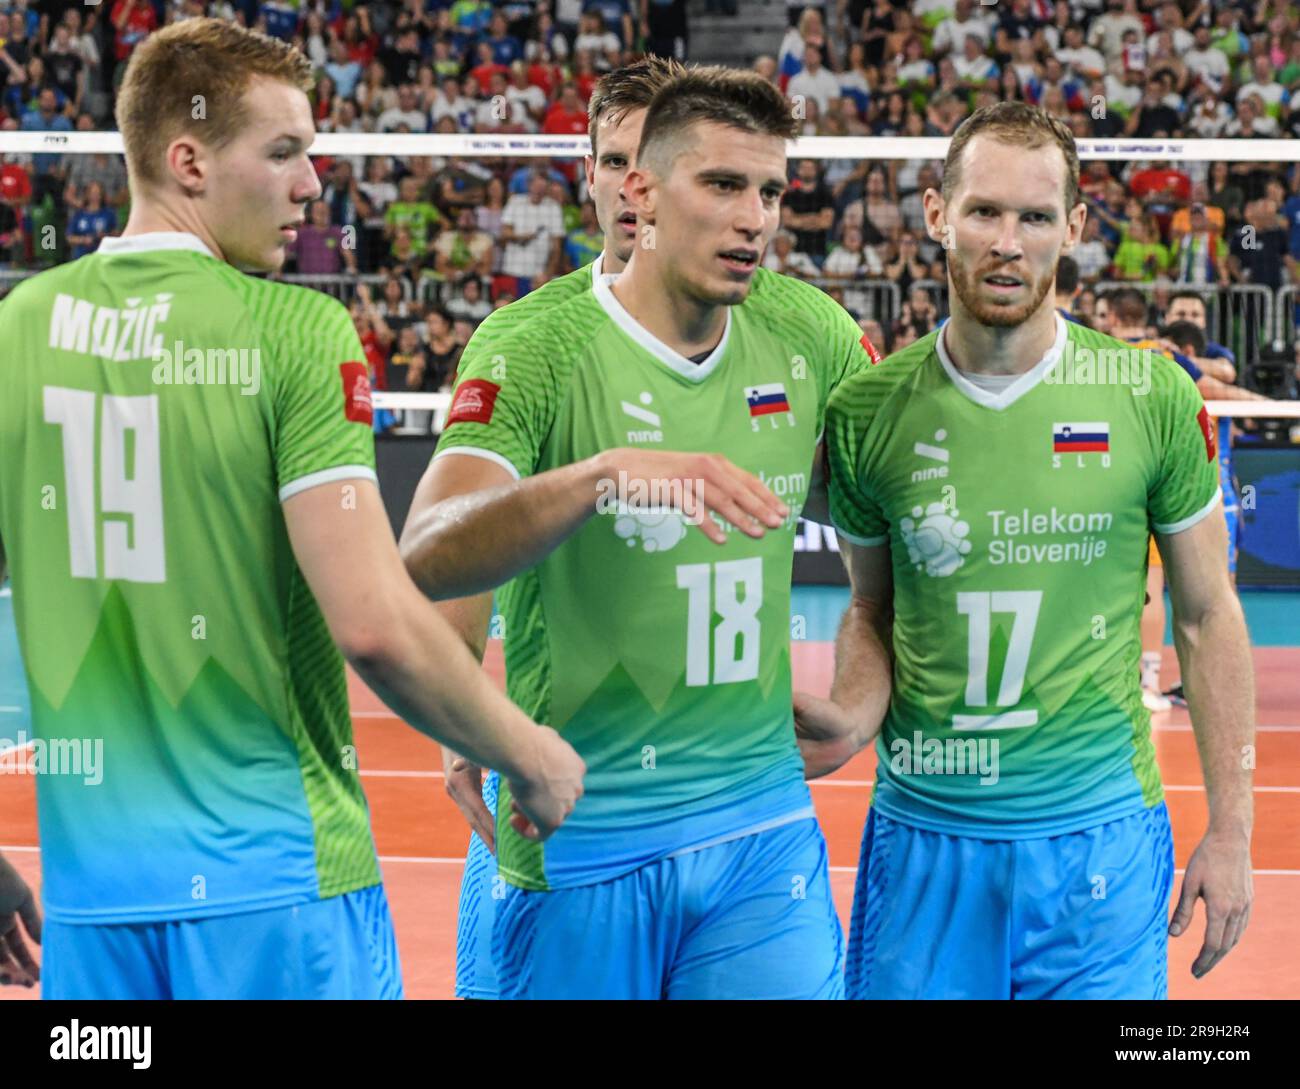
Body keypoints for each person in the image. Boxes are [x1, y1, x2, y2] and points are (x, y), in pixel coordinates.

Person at [0, 18, 584, 1001]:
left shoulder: (17, 330)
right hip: (279, 898)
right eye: (283, 153)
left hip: (96, 915)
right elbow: (373, 623)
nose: (313, 185)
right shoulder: (294, 332)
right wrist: (527, 752)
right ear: (188, 160)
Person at [401, 64, 881, 1000]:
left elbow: (906, 535)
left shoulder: (812, 334)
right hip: (585, 830)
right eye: (724, 185)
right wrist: (466, 720)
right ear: (628, 186)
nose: (754, 216)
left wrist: (861, 704)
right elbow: (430, 550)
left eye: (771, 192)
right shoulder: (532, 343)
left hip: (761, 832)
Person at [814, 102, 1253, 998]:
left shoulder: (1148, 396)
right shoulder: (867, 413)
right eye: (983, 211)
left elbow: (1208, 615)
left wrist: (1234, 827)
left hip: (1102, 845)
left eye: (1035, 216)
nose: (1007, 242)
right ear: (937, 214)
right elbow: (872, 607)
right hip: (925, 838)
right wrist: (853, 713)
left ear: (1075, 229)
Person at [410, 56, 684, 1003]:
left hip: (715, 780)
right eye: (614, 161)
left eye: (655, 161)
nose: (632, 188)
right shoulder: (527, 339)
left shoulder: (786, 331)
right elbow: (457, 530)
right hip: (548, 785)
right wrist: (458, 725)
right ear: (587, 173)